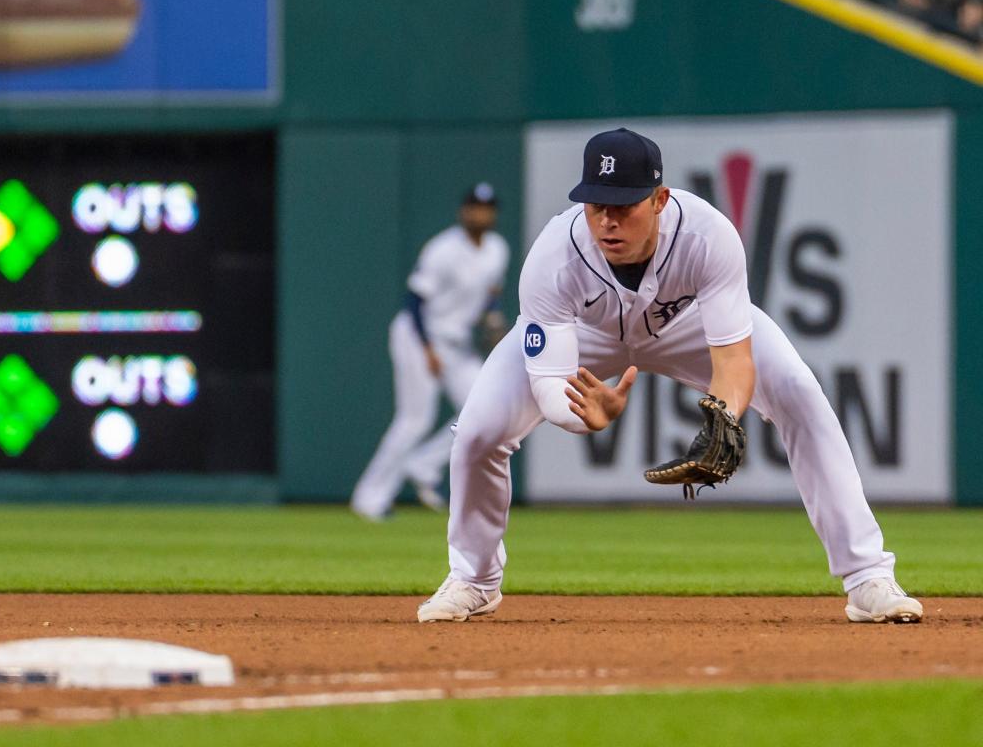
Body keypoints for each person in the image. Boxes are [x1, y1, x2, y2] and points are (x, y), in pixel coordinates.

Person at [417, 128, 923, 625]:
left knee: (798, 393)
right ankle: (474, 579)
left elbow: (733, 359)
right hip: (585, 333)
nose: (608, 221)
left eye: (624, 206)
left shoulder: (707, 234)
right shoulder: (554, 257)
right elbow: (550, 382)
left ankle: (867, 576)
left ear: (659, 199)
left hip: (687, 323)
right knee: (480, 430)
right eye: (597, 205)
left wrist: (724, 415)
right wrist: (580, 417)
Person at [350, 183, 510, 521]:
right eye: (474, 207)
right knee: (414, 419)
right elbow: (415, 302)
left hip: (458, 342)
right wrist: (428, 350)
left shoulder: (497, 249)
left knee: (487, 411)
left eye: (487, 208)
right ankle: (369, 497)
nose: (480, 213)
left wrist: (493, 321)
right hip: (418, 336)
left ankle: (423, 464)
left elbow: (491, 296)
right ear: (463, 211)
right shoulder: (443, 249)